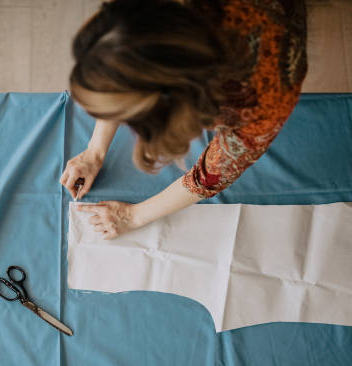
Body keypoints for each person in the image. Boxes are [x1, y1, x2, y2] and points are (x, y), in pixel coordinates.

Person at [60, 0, 307, 239]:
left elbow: (212, 174)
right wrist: (94, 152)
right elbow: (123, 62)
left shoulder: (265, 93)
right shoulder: (144, 22)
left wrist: (133, 217)